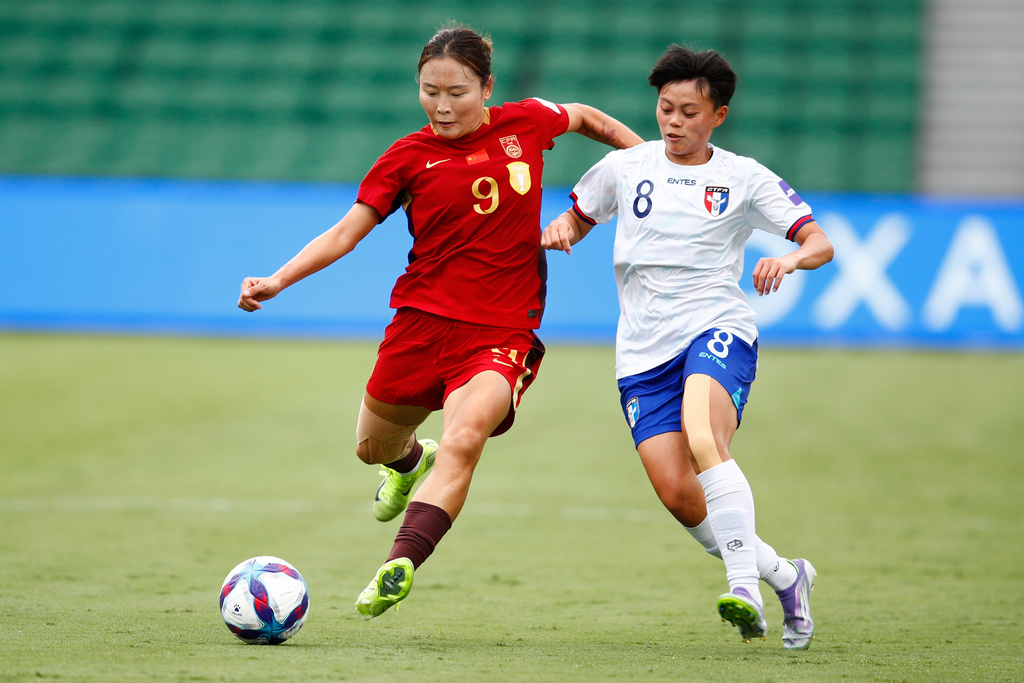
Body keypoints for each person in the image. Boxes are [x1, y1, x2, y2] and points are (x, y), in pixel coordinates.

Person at [238, 24, 643, 620]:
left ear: (487, 87)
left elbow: (584, 117)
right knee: (371, 448)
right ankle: (408, 464)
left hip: (501, 333)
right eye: (430, 91)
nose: (443, 105)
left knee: (464, 439)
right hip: (420, 325)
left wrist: (648, 166)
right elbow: (346, 233)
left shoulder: (527, 122)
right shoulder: (406, 156)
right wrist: (278, 279)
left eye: (457, 91)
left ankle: (397, 564)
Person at [541, 45, 834, 649]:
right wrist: (563, 230)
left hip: (716, 327)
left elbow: (819, 242)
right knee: (679, 495)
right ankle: (785, 577)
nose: (673, 122)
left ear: (718, 116)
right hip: (641, 351)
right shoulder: (628, 166)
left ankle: (742, 589)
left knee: (705, 438)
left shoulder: (743, 176)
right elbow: (580, 214)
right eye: (665, 108)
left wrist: (788, 257)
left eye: (689, 112)